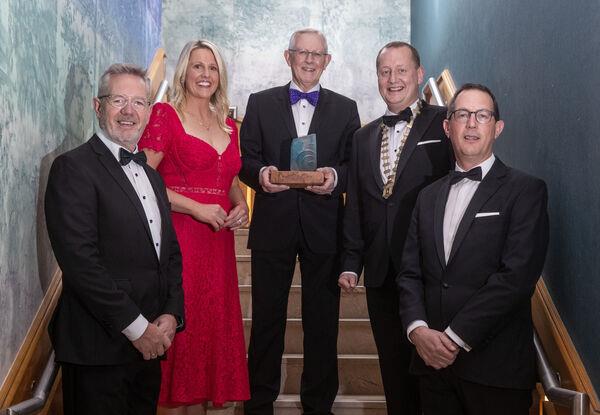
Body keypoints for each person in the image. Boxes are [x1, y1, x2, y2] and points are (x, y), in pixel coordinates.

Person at [397, 83, 549, 415]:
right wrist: (418, 330)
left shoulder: (526, 191)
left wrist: (453, 337)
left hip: (495, 371)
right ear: (446, 127)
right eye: (462, 114)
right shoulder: (426, 197)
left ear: (498, 127)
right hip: (432, 369)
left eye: (482, 115)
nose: (471, 123)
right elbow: (409, 273)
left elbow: (516, 278)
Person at [44, 63, 185, 415]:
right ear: (98, 106)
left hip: (150, 347)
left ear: (149, 112)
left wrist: (171, 312)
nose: (128, 111)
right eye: (118, 100)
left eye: (138, 103)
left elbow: (169, 255)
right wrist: (138, 329)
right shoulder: (72, 168)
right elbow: (81, 264)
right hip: (98, 349)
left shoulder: (152, 178)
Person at [239, 28, 360, 415]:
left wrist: (334, 178)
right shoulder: (259, 103)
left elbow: (352, 167)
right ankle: (259, 403)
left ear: (328, 60)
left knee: (322, 324)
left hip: (325, 229)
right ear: (287, 56)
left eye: (316, 54)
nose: (309, 60)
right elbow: (246, 160)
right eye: (301, 52)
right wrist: (261, 176)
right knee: (267, 321)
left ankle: (318, 405)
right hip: (273, 225)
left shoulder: (347, 108)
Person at [338, 41, 453, 415]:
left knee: (432, 375)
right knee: (392, 371)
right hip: (381, 272)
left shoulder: (446, 122)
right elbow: (355, 204)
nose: (393, 79)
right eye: (385, 72)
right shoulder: (362, 137)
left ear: (420, 75)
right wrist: (350, 262)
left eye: (401, 70)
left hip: (429, 272)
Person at [138, 40, 250, 415]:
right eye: (198, 66)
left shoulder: (230, 126)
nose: (205, 74)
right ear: (184, 71)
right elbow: (142, 179)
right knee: (180, 345)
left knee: (209, 342)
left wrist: (240, 206)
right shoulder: (164, 115)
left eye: (213, 67)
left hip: (219, 250)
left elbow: (229, 181)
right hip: (180, 241)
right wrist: (197, 208)